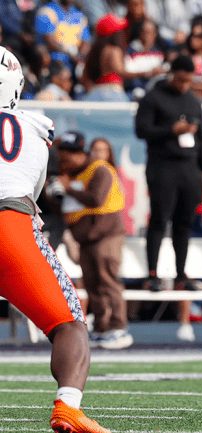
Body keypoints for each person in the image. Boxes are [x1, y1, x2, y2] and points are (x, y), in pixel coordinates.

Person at [0, 46, 111, 433]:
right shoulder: (35, 126)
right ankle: (67, 406)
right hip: (10, 225)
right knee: (69, 324)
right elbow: (34, 187)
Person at [134, 54, 202, 342]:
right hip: (162, 165)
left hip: (189, 168)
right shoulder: (153, 97)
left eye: (189, 80)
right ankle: (153, 274)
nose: (184, 85)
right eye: (181, 79)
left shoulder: (192, 100)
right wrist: (171, 130)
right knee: (159, 219)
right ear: (171, 74)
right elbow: (142, 130)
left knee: (183, 223)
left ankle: (180, 274)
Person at [53, 132, 133, 350]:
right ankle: (101, 328)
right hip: (87, 238)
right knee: (92, 285)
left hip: (107, 235)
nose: (62, 161)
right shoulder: (72, 173)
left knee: (108, 280)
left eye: (66, 156)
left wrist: (68, 189)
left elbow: (97, 199)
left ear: (78, 153)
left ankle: (119, 327)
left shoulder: (100, 169)